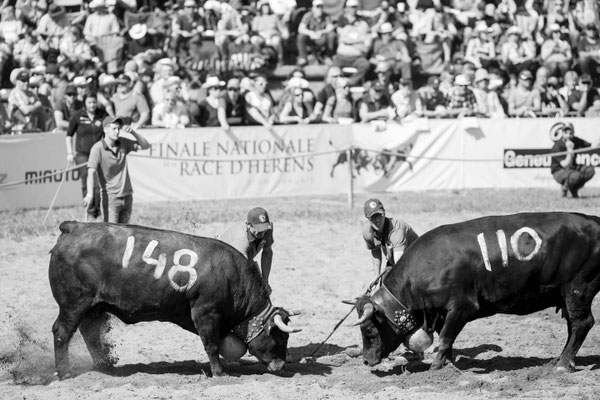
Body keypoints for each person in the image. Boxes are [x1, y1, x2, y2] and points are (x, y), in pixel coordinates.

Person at [84, 116, 151, 223]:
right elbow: (91, 172)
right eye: (114, 129)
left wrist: (133, 132)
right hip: (111, 198)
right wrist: (89, 195)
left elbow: (146, 146)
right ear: (105, 130)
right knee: (110, 235)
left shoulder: (123, 143)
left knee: (123, 234)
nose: (117, 132)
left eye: (119, 129)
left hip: (127, 196)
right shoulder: (97, 149)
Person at [362, 198, 419, 289]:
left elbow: (399, 266)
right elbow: (375, 250)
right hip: (396, 261)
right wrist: (376, 275)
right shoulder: (367, 233)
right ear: (368, 218)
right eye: (373, 217)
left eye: (379, 216)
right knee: (384, 285)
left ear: (384, 213)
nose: (377, 220)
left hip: (417, 261)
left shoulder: (396, 230)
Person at [66, 92, 106, 219]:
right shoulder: (77, 116)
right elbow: (69, 135)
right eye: (89, 102)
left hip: (99, 153)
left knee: (99, 183)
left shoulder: (103, 114)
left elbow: (111, 129)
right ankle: (89, 209)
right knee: (86, 180)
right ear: (85, 104)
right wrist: (70, 153)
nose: (92, 105)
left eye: (94, 102)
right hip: (82, 154)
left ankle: (98, 211)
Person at [218, 207, 274, 294]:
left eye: (264, 228)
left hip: (244, 259)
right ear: (248, 224)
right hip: (221, 264)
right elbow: (243, 269)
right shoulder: (241, 239)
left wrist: (265, 281)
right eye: (258, 229)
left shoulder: (268, 228)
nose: (262, 232)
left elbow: (267, 252)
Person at [550, 122, 595, 198]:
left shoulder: (575, 140)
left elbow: (592, 145)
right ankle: (564, 190)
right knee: (576, 175)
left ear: (573, 133)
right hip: (559, 171)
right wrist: (569, 150)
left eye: (570, 133)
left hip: (572, 168)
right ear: (562, 133)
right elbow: (565, 164)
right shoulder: (557, 146)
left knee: (590, 171)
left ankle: (574, 189)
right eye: (566, 133)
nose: (568, 135)